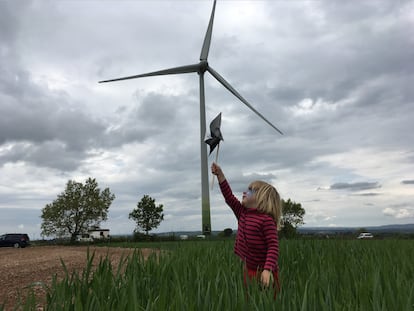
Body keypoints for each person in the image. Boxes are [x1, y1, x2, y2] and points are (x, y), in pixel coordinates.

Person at [211, 162, 281, 296]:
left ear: (262, 198)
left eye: (250, 190)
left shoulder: (266, 220)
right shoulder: (242, 213)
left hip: (266, 272)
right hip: (249, 269)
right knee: (250, 300)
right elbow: (229, 197)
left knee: (270, 301)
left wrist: (267, 269)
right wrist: (220, 175)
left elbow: (273, 246)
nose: (245, 192)